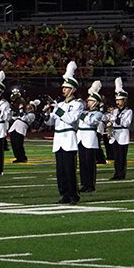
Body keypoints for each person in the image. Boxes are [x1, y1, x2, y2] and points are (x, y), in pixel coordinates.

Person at [44, 61, 84, 204]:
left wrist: (58, 110)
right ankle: (64, 194)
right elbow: (51, 122)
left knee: (69, 169)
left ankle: (73, 195)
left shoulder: (78, 104)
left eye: (66, 88)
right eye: (63, 87)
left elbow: (71, 119)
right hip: (58, 139)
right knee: (60, 171)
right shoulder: (60, 104)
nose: (63, 90)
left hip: (69, 138)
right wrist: (47, 113)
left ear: (72, 89)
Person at [77, 81, 105, 193]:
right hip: (80, 138)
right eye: (88, 100)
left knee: (90, 163)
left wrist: (82, 115)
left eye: (90, 101)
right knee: (82, 163)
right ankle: (84, 184)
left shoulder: (98, 113)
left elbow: (91, 122)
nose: (88, 102)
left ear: (95, 102)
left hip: (90, 138)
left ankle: (90, 185)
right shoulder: (85, 112)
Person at [108, 77, 133, 180]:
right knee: (116, 156)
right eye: (117, 100)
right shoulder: (115, 111)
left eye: (119, 100)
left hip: (122, 134)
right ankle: (116, 173)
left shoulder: (128, 111)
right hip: (115, 134)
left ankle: (121, 174)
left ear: (124, 100)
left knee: (122, 156)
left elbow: (126, 123)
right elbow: (111, 120)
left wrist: (116, 120)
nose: (117, 102)